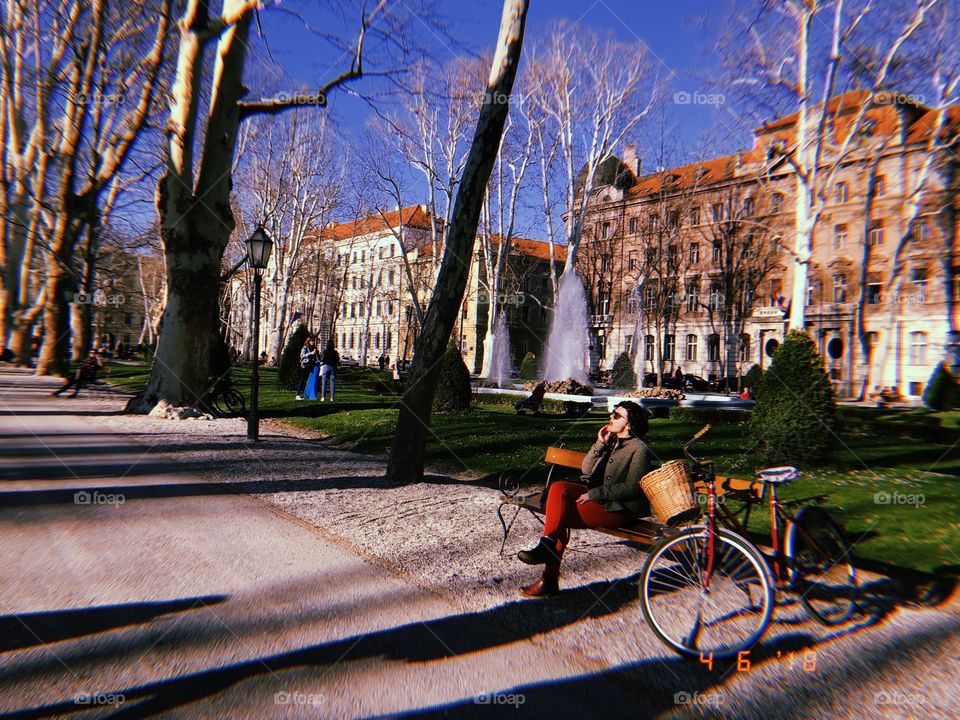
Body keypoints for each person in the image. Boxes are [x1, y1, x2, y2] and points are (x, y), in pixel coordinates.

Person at [517, 401, 652, 597]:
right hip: (599, 500)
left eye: (617, 415)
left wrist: (594, 494)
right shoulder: (611, 441)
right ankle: (547, 547)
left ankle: (549, 578)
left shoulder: (640, 449)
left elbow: (631, 488)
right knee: (558, 488)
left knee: (559, 514)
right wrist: (599, 443)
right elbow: (586, 469)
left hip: (618, 509)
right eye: (612, 413)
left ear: (629, 424)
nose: (611, 417)